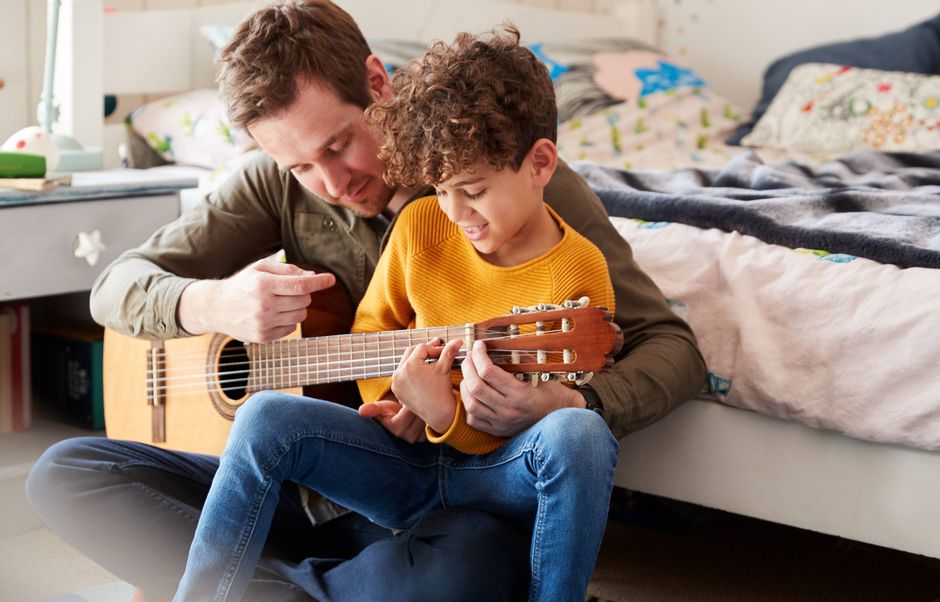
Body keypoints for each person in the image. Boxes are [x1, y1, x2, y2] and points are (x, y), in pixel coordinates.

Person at [25, 1, 705, 600]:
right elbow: (116, 287)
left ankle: (257, 582)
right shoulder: (272, 185)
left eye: (340, 144)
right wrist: (216, 304)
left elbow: (670, 347)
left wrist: (574, 403)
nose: (330, 182)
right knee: (67, 474)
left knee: (464, 570)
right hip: (300, 483)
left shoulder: (506, 182)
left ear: (378, 85)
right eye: (298, 166)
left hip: (436, 500)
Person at [174, 27, 617, 602]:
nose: (456, 213)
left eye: (473, 190)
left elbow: (547, 432)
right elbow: (372, 330)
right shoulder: (422, 223)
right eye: (439, 190)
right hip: (403, 466)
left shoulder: (576, 267)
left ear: (540, 164)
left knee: (579, 432)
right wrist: (400, 396)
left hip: (496, 474)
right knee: (261, 417)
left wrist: (447, 414)